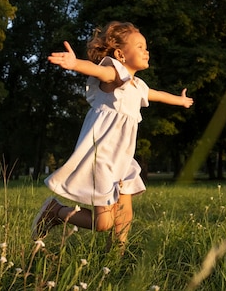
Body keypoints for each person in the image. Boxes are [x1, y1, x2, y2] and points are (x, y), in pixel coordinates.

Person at [31, 21, 193, 251]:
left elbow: (157, 94)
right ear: (120, 54)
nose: (146, 51)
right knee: (102, 223)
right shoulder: (114, 75)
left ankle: (114, 256)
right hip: (103, 159)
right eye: (139, 46)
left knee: (125, 214)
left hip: (122, 159)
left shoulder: (138, 86)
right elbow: (97, 70)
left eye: (146, 46)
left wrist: (180, 100)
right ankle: (55, 211)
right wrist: (75, 63)